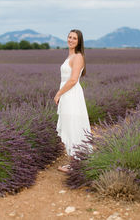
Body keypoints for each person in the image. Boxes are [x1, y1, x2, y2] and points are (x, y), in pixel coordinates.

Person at [54, 29, 91, 173]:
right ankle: (76, 162)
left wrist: (58, 94)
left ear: (79, 41)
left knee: (73, 126)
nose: (71, 40)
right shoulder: (70, 56)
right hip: (67, 94)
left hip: (71, 94)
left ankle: (76, 163)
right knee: (70, 126)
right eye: (69, 37)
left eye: (74, 38)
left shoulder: (78, 56)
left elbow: (73, 80)